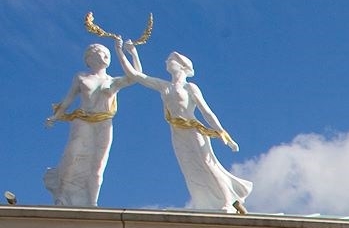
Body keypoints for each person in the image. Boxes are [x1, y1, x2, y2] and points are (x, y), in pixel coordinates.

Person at [117, 39, 251, 212]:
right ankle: (207, 202)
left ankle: (229, 200)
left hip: (193, 129)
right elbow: (136, 75)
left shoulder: (190, 87)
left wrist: (223, 134)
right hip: (177, 132)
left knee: (208, 165)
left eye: (171, 60)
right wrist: (124, 51)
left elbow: (207, 112)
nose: (167, 62)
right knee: (190, 169)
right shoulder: (164, 86)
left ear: (182, 66)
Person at [42, 44, 135, 207]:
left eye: (108, 54)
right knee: (72, 156)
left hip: (104, 123)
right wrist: (55, 116)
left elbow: (135, 75)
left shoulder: (113, 81)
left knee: (98, 165)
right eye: (101, 53)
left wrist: (125, 51)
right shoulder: (81, 77)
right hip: (83, 121)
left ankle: (92, 202)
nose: (106, 56)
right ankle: (62, 194)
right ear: (89, 58)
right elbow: (68, 100)